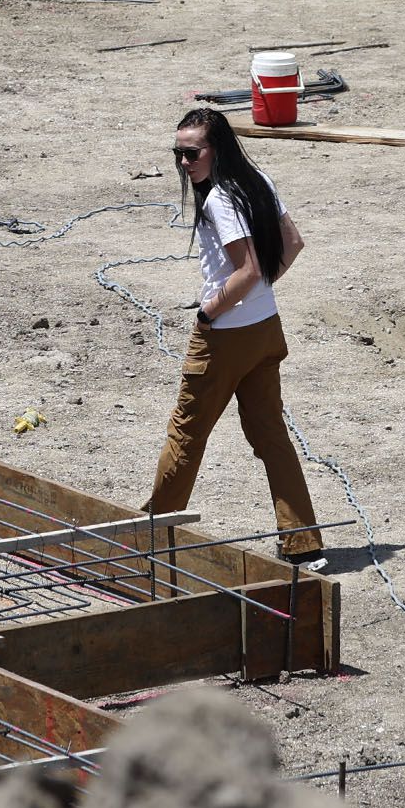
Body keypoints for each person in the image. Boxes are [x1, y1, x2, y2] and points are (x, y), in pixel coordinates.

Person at [145, 106, 325, 566]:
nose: (185, 163)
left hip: (225, 338)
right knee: (271, 437)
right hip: (266, 330)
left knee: (186, 434)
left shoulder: (221, 198)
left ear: (217, 148)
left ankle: (149, 538)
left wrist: (209, 313)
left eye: (193, 153)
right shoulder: (257, 180)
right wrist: (262, 290)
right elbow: (292, 244)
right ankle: (303, 543)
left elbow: (245, 270)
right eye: (178, 154)